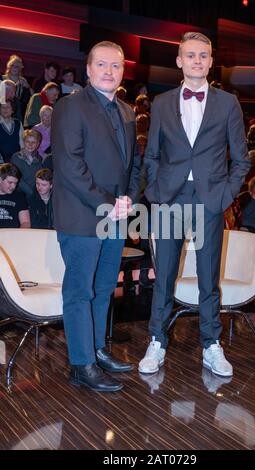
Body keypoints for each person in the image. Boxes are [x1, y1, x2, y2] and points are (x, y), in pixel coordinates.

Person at [138, 32, 250, 377]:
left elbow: (242, 160)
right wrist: (156, 192)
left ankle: (211, 345)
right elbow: (152, 154)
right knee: (164, 275)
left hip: (209, 200)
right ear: (179, 60)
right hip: (170, 199)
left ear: (211, 61)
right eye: (190, 55)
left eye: (203, 55)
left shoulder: (228, 103)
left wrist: (224, 194)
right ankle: (157, 341)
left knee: (207, 277)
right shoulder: (161, 103)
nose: (197, 61)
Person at [52, 41, 140, 392]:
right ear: (88, 70)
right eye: (101, 64)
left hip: (115, 216)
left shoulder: (128, 111)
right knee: (80, 291)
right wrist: (109, 202)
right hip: (82, 216)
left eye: (115, 66)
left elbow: (131, 166)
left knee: (104, 288)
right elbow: (70, 167)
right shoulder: (70, 107)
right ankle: (81, 364)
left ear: (122, 71)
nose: (108, 71)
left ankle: (98, 349)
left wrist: (131, 196)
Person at [0, 163, 30, 228]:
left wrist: (18, 236)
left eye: (15, 183)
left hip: (13, 236)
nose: (13, 186)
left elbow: (25, 222)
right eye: (10, 182)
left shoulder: (19, 197)